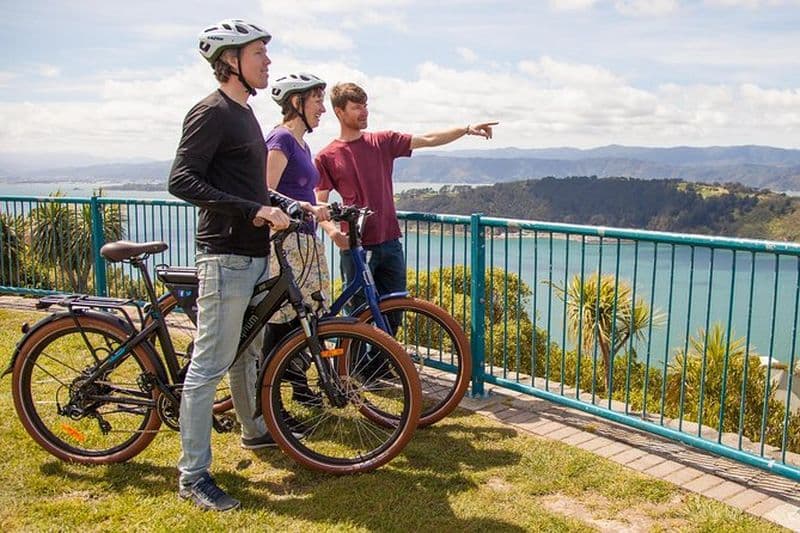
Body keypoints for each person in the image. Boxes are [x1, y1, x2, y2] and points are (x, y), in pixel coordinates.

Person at [168, 18, 292, 512]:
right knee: (208, 366)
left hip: (252, 254)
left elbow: (250, 187)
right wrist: (253, 210)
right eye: (260, 53)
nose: (268, 61)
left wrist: (291, 206)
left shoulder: (245, 115)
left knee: (247, 354)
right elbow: (181, 179)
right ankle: (193, 476)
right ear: (231, 61)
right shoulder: (212, 112)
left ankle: (253, 431)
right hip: (223, 255)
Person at [314, 82, 497, 319]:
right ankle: (351, 358)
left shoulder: (382, 141)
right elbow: (320, 202)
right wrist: (332, 232)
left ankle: (384, 358)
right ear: (339, 112)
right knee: (357, 318)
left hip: (390, 242)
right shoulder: (326, 156)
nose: (365, 112)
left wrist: (467, 128)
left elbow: (428, 139)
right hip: (355, 246)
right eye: (357, 107)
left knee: (395, 312)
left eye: (366, 106)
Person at [263, 72, 331, 405]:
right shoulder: (281, 139)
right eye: (317, 100)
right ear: (296, 102)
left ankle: (298, 385)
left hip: (304, 239)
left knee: (306, 315)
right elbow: (266, 191)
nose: (322, 108)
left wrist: (318, 207)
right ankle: (272, 396)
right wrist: (304, 206)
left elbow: (295, 192)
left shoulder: (302, 143)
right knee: (284, 318)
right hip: (285, 242)